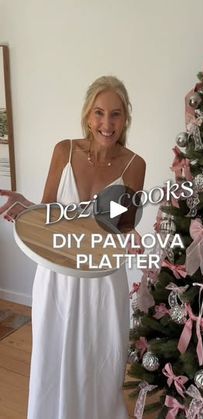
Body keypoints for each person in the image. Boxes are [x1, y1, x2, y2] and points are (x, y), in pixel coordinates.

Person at [0, 76, 146, 419]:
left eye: (115, 114)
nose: (106, 124)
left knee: (101, 360)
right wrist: (26, 206)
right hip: (57, 276)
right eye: (99, 112)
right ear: (87, 114)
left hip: (103, 281)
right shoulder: (64, 150)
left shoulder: (134, 165)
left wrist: (131, 235)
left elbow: (122, 225)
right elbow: (49, 213)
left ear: (126, 118)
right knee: (54, 355)